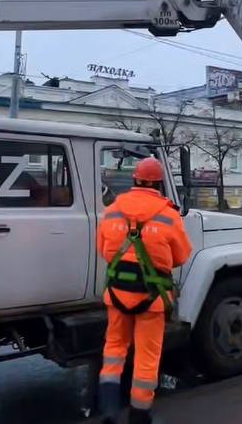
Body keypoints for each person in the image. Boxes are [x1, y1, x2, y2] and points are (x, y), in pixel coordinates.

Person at [96, 157, 192, 424]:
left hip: (116, 294)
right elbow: (181, 256)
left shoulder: (113, 210)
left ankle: (108, 409)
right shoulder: (169, 214)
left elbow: (103, 250)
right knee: (147, 356)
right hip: (151, 300)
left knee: (114, 348)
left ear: (135, 180)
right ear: (159, 183)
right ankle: (140, 414)